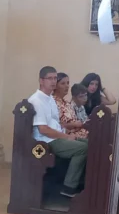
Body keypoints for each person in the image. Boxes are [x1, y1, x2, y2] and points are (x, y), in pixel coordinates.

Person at [28, 66, 86, 198]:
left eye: (55, 78)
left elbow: (56, 123)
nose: (53, 81)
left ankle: (82, 183)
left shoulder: (50, 99)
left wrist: (68, 133)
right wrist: (66, 136)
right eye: (50, 78)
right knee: (83, 148)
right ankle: (69, 187)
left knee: (90, 143)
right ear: (41, 81)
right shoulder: (37, 100)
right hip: (47, 141)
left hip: (56, 136)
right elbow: (43, 130)